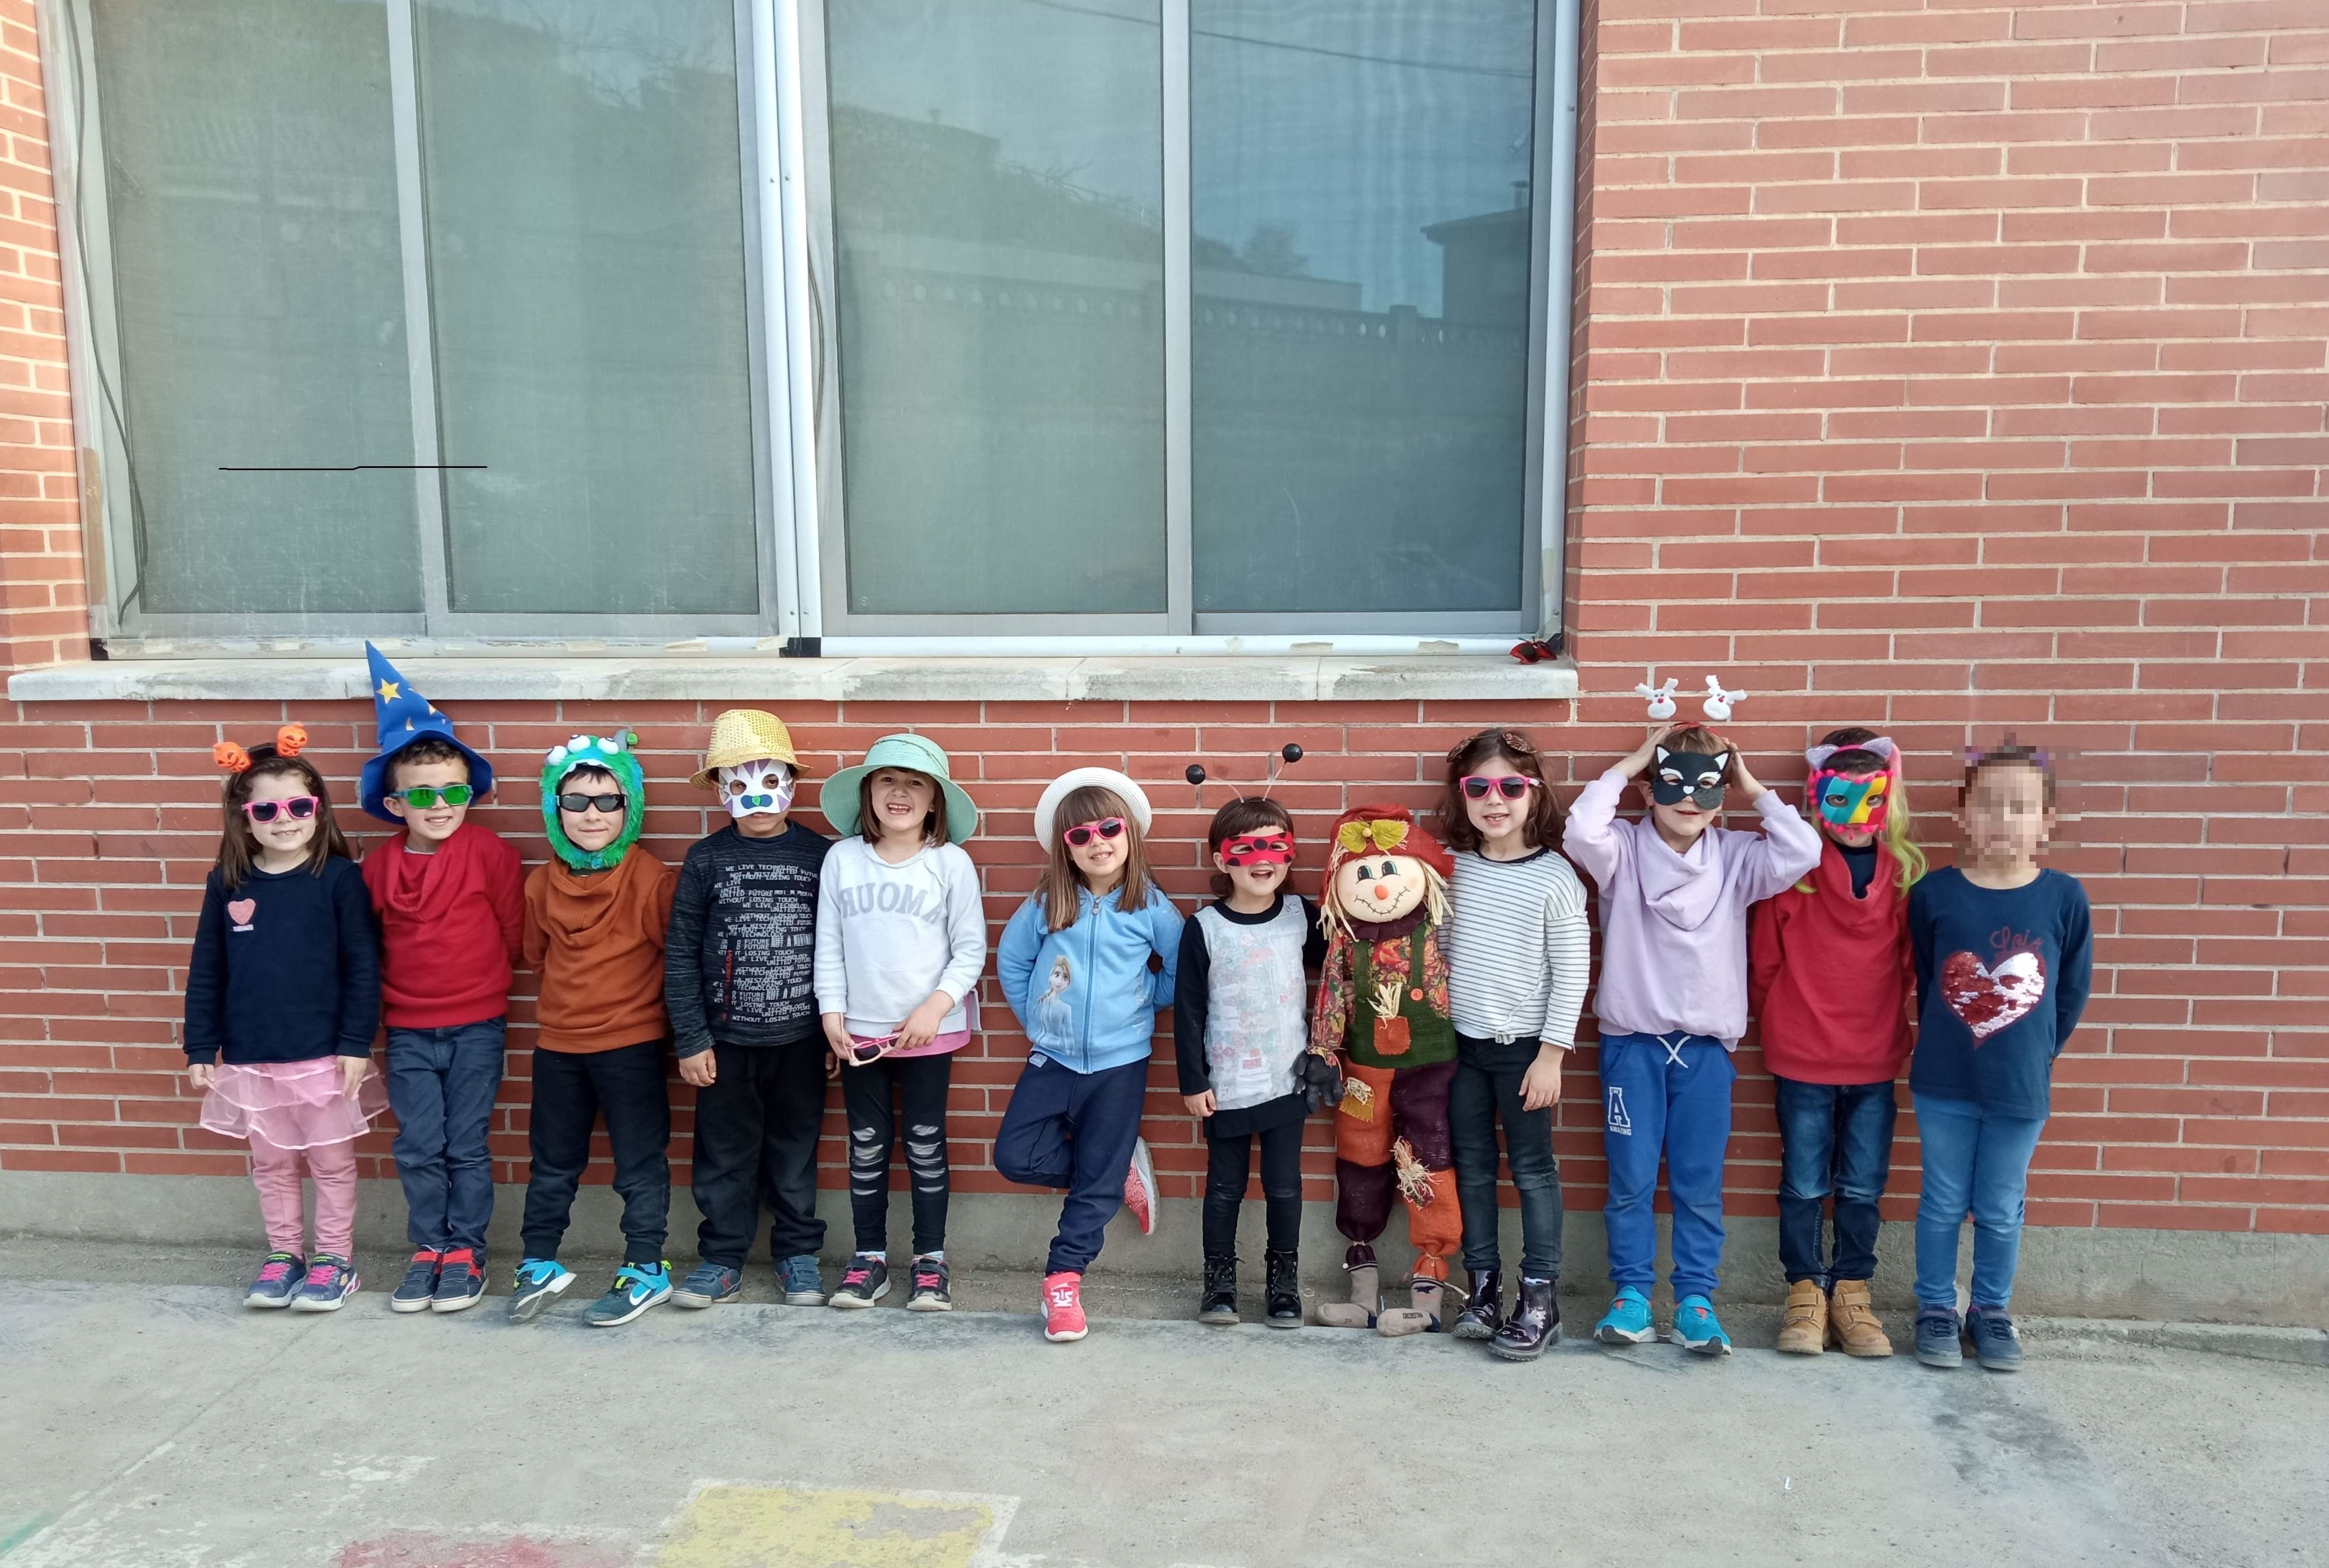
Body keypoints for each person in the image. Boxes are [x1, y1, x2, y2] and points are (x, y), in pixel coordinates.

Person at [1562, 722, 1821, 1354]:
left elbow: (1803, 851)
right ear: (1650, 788)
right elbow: (1581, 831)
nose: (1688, 798)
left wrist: (1752, 786)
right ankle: (1630, 1294)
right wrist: (1631, 763)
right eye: (1671, 781)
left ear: (1723, 793)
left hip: (1703, 1052)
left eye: (1707, 785)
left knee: (1698, 1182)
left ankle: (1696, 1300)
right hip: (1633, 1046)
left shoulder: (1737, 857)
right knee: (1630, 1179)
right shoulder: (1622, 851)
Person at [185, 726, 384, 1313]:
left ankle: (335, 1260)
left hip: (323, 1054)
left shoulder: (339, 879)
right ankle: (284, 1254)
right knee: (271, 1164)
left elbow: (362, 966)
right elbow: (207, 968)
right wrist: (201, 1046)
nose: (284, 819)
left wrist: (356, 1042)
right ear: (245, 818)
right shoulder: (227, 885)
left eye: (298, 806)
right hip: (252, 1056)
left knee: (331, 1163)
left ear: (317, 809)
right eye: (267, 809)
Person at [1909, 743, 2090, 1373]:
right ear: (1962, 815)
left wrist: (2037, 1054)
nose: (2002, 819)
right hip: (1943, 1079)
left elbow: (2070, 992)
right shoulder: (1934, 893)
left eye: (2020, 807)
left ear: (2046, 820)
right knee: (1941, 1200)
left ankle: (1989, 1310)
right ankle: (1935, 1307)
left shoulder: (2063, 897)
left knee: (1999, 1204)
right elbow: (1926, 976)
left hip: (2019, 1085)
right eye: (1987, 805)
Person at [356, 644, 523, 1315]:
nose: (440, 804)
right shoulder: (376, 869)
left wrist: (487, 984)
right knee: (420, 1143)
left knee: (466, 1143)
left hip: (478, 1022)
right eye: (422, 793)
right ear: (395, 802)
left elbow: (513, 930)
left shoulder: (491, 853)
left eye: (454, 790)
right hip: (407, 1029)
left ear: (470, 793)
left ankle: (466, 1250)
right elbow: (367, 948)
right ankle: (428, 1244)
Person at [1749, 726, 1924, 1358]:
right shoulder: (1792, 872)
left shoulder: (1904, 877)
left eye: (1869, 800)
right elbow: (1764, 964)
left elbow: (1907, 967)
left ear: (1889, 800)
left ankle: (1851, 1292)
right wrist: (1788, 1021)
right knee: (1802, 1183)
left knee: (1861, 1185)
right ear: (1817, 799)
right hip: (1801, 1058)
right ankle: (1804, 1292)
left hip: (1874, 1059)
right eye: (1840, 801)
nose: (1853, 819)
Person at [994, 768, 1182, 1343]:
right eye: (1080, 835)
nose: (1097, 842)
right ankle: (1113, 1169)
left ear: (1129, 834)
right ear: (1066, 848)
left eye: (1108, 828)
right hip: (1052, 1058)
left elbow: (1179, 970)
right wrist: (1039, 1019)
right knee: (1015, 1155)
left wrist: (1142, 1004)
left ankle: (1063, 1281)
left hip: (1120, 1063)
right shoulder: (1047, 901)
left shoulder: (1151, 907)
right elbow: (1013, 962)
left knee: (1094, 1183)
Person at [664, 710, 834, 1311]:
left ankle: (797, 1252)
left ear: (791, 783)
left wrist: (832, 1030)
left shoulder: (821, 856)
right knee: (724, 1154)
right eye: (739, 785)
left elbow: (839, 948)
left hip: (802, 1039)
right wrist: (691, 1037)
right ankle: (721, 1257)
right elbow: (681, 950)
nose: (757, 798)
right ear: (720, 790)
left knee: (795, 1150)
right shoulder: (705, 859)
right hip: (725, 1042)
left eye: (770, 782)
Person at [509, 731, 680, 1328]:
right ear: (554, 809)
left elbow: (675, 957)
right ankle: (538, 1261)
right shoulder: (539, 884)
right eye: (576, 801)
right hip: (558, 1045)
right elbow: (537, 955)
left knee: (639, 1162)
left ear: (630, 807)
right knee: (552, 1161)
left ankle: (645, 1267)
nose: (592, 814)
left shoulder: (652, 879)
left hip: (631, 1045)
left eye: (609, 801)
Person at [814, 735, 986, 1313]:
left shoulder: (950, 863)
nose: (900, 792)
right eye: (887, 779)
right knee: (865, 1144)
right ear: (867, 792)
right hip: (859, 1034)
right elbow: (828, 943)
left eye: (916, 783)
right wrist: (831, 1010)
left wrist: (935, 1006)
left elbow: (970, 948)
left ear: (936, 800)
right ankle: (868, 1258)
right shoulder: (842, 859)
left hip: (928, 1032)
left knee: (924, 1143)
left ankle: (930, 1260)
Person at [1438, 728, 1590, 1361]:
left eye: (1509, 786)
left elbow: (1572, 969)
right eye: (1478, 787)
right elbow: (1438, 951)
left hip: (1525, 1051)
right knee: (1472, 1167)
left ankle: (1539, 1300)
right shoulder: (1452, 869)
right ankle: (1482, 1290)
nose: (1493, 800)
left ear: (1534, 793)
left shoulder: (1555, 876)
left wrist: (1552, 1054)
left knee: (1531, 1170)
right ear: (1462, 795)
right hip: (1461, 1050)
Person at [1310, 803, 1464, 1337]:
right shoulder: (1343, 940)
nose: (1378, 888)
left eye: (1390, 872)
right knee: (1359, 1163)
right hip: (1363, 1072)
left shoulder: (1439, 928)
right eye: (1363, 875)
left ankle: (1429, 1290)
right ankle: (1362, 1292)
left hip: (1429, 1069)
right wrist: (1323, 1052)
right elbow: (1331, 994)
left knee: (1429, 1164)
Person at [1174, 794, 1324, 1329]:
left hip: (1287, 1080)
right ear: (1222, 859)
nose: (1262, 859)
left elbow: (1336, 972)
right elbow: (1188, 1010)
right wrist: (1193, 1081)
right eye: (1246, 847)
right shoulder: (1204, 927)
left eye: (1274, 845)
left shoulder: (1301, 917)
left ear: (1289, 854)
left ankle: (1283, 1285)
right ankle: (1219, 1284)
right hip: (1226, 1084)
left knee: (1284, 1186)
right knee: (1224, 1188)